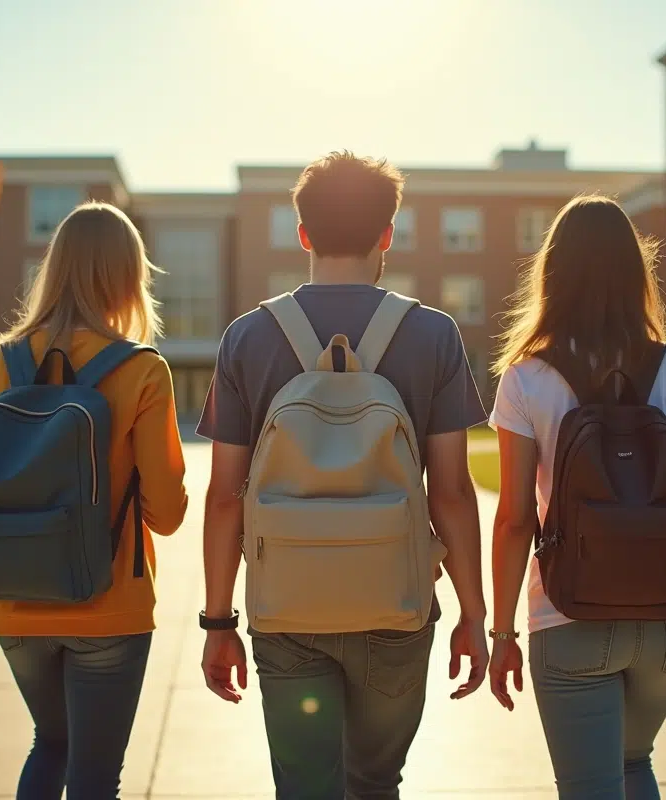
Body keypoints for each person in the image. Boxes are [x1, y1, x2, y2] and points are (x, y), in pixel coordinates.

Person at [197, 151, 490, 799]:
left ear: (303, 234)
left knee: (305, 788)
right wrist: (474, 611)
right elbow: (450, 491)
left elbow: (224, 498)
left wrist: (218, 621)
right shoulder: (433, 334)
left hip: (286, 606)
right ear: (388, 234)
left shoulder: (247, 337)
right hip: (397, 603)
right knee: (376, 782)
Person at [486, 194, 666, 799]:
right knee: (635, 764)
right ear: (637, 272)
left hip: (569, 613)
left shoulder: (527, 378)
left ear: (553, 274)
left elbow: (513, 520)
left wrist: (501, 634)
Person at [0, 201, 188, 799]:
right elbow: (167, 514)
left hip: (15, 602)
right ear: (130, 277)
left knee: (50, 744)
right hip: (108, 604)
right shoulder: (142, 372)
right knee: (96, 777)